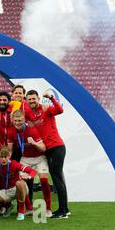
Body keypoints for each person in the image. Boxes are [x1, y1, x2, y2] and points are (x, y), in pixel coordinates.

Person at [25, 90, 69, 219]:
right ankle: (64, 208)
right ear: (27, 101)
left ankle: (63, 211)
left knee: (57, 178)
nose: (32, 101)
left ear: (38, 98)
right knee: (57, 178)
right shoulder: (28, 113)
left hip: (56, 147)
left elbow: (60, 110)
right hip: (47, 149)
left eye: (34, 98)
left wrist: (51, 98)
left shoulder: (46, 108)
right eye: (29, 99)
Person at [7, 109, 52, 217]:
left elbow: (43, 148)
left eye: (20, 120)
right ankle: (29, 208)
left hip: (39, 158)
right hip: (25, 159)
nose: (17, 123)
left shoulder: (31, 130)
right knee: (21, 183)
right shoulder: (11, 131)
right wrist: (8, 159)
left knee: (44, 180)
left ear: (24, 120)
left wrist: (34, 144)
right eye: (15, 120)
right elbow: (10, 150)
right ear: (12, 120)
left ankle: (48, 209)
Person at [0, 146, 37, 221]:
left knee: (19, 183)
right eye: (1, 157)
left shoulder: (14, 164)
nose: (3, 159)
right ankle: (8, 205)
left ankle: (21, 212)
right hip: (6, 191)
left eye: (5, 157)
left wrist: (28, 176)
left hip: (18, 188)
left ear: (9, 156)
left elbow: (33, 171)